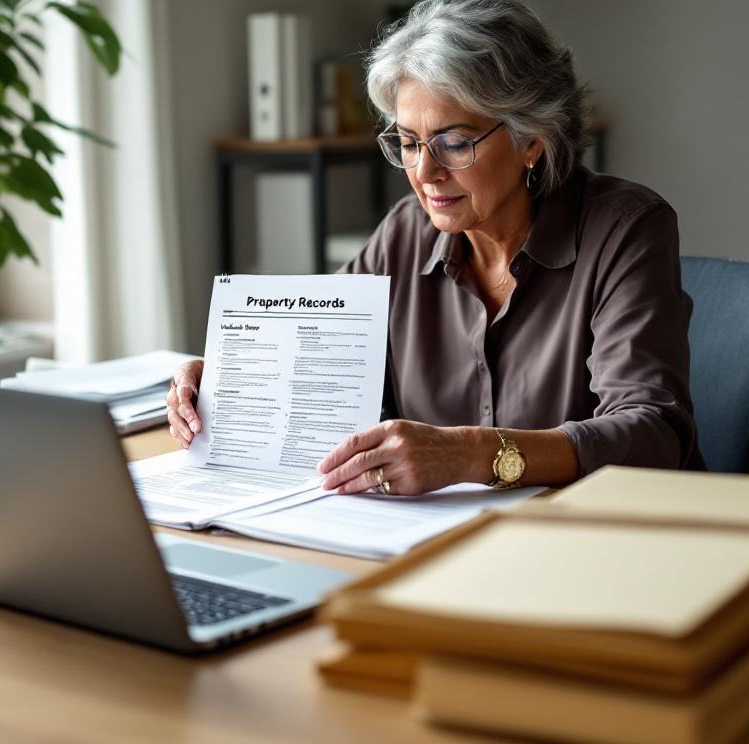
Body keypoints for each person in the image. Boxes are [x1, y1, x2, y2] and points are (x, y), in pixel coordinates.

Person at [167, 0, 703, 496]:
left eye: (455, 142)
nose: (425, 173)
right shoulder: (406, 232)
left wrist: (468, 454)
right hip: (431, 542)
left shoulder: (627, 230)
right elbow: (309, 352)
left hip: (590, 544)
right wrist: (223, 379)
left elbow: (653, 436)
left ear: (532, 141)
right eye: (408, 142)